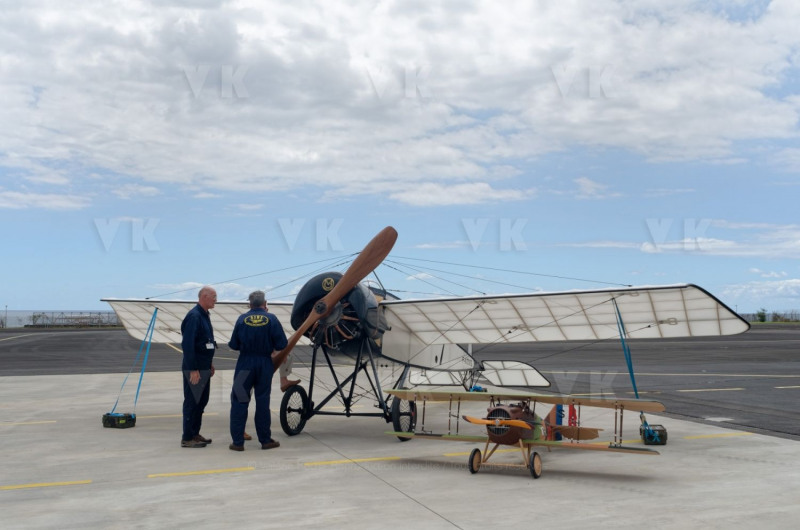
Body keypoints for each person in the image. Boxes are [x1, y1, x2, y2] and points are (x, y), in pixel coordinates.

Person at [228, 290, 288, 451]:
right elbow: (282, 344)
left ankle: (237, 442)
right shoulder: (272, 319)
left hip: (245, 364)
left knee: (239, 401)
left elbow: (233, 344)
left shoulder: (241, 319)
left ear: (249, 304)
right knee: (262, 401)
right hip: (264, 364)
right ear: (265, 303)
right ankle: (265, 440)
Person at [180, 285, 217, 448]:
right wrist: (193, 369)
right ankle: (187, 437)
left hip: (204, 367)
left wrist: (209, 363)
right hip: (195, 369)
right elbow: (188, 345)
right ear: (204, 297)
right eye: (214, 296)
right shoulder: (194, 316)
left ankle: (195, 433)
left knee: (202, 401)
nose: (216, 299)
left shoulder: (204, 315)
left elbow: (205, 342)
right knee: (192, 402)